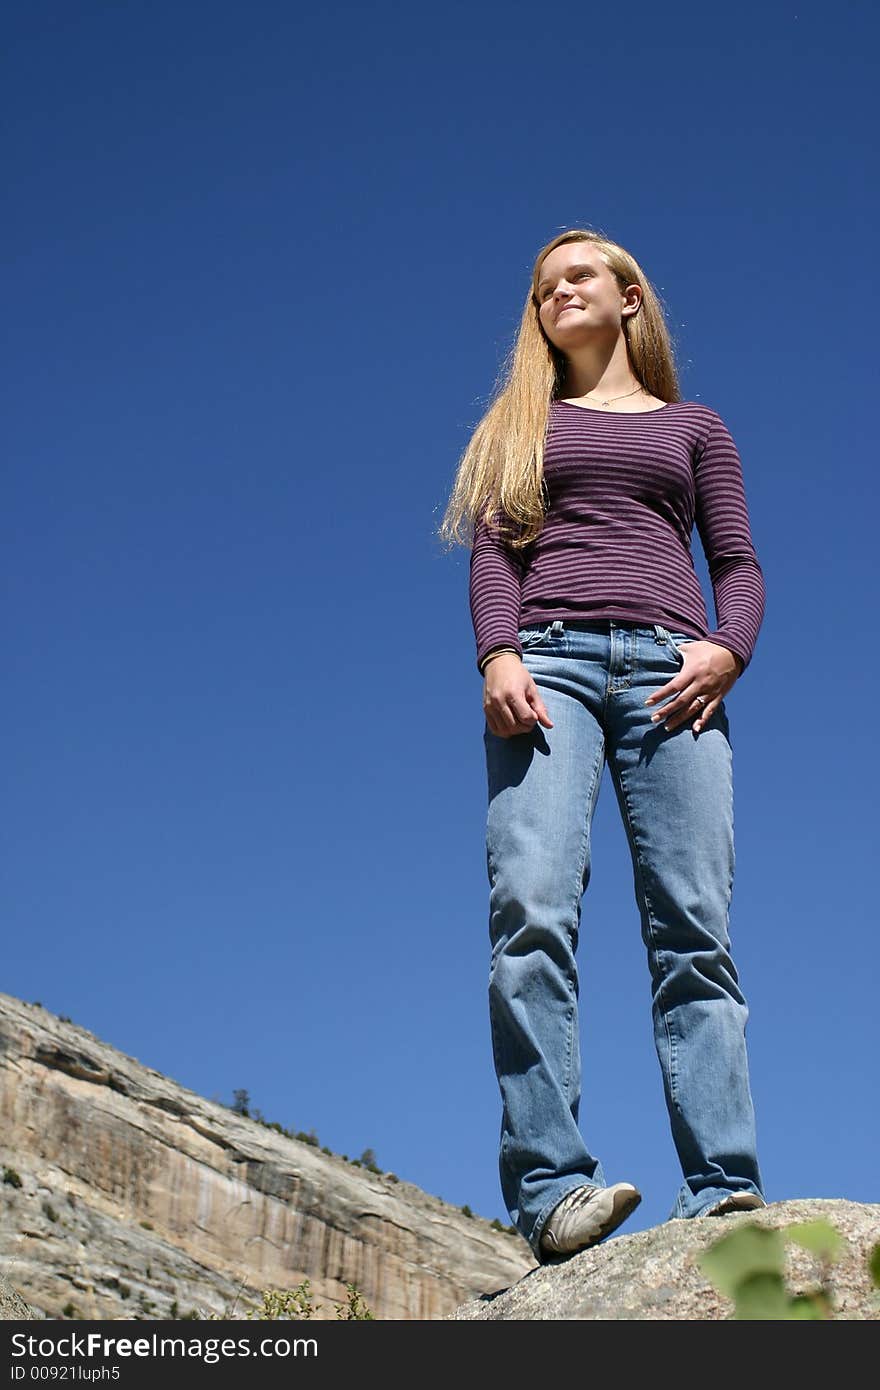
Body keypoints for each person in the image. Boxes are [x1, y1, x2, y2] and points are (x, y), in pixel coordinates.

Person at [437, 227, 767, 1264]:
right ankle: (550, 1190)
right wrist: (496, 655)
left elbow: (739, 564)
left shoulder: (694, 426)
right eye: (542, 287)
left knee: (694, 929)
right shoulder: (520, 423)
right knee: (529, 910)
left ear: (629, 299)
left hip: (674, 674)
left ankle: (723, 1186)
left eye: (577, 276)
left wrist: (727, 650)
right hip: (550, 669)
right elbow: (493, 551)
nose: (556, 294)